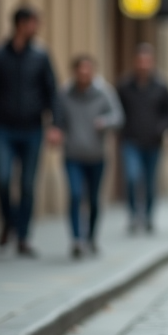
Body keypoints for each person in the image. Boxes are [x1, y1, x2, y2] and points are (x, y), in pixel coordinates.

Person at [0, 6, 60, 257]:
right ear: (20, 24)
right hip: (3, 128)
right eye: (34, 23)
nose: (37, 28)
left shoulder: (41, 56)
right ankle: (8, 222)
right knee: (2, 180)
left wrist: (55, 125)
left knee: (27, 185)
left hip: (33, 128)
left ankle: (23, 237)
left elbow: (51, 93)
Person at [54, 55, 123, 258]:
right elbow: (57, 119)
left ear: (93, 72)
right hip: (73, 154)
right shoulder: (64, 94)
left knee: (93, 199)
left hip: (97, 155)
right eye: (80, 70)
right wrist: (56, 131)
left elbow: (118, 117)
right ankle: (77, 239)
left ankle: (91, 237)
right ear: (74, 72)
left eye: (88, 70)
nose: (84, 74)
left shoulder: (104, 93)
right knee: (75, 195)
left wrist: (105, 122)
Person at [116, 44, 168, 233]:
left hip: (153, 142)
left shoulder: (161, 86)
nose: (143, 64)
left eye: (146, 61)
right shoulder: (124, 86)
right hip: (131, 140)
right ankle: (134, 215)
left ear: (152, 62)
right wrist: (121, 129)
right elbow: (117, 111)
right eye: (140, 61)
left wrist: (161, 128)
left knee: (149, 181)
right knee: (133, 178)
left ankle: (148, 215)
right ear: (135, 62)